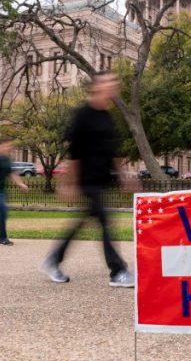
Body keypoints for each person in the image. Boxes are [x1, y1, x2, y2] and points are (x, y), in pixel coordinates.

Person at [40, 72, 135, 287]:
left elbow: (114, 154)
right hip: (87, 180)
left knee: (83, 221)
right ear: (97, 86)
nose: (114, 86)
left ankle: (53, 259)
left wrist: (124, 177)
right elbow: (74, 153)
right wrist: (69, 183)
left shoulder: (108, 117)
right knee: (104, 222)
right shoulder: (83, 115)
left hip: (102, 180)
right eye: (109, 82)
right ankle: (117, 271)